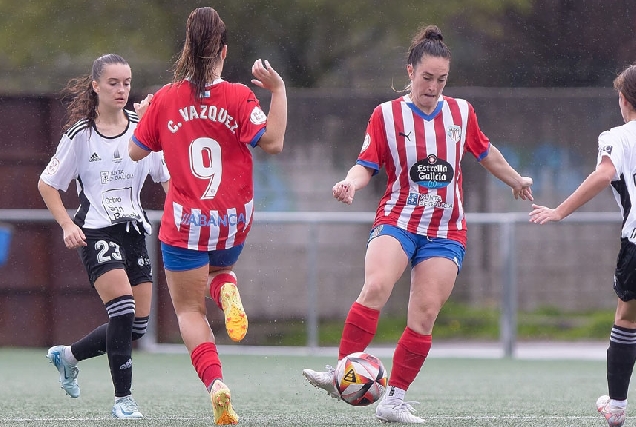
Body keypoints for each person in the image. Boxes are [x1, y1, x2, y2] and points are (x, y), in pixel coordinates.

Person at [302, 25, 533, 424]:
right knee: (376, 285)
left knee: (424, 314)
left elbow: (485, 151)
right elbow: (366, 164)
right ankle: (341, 370)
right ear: (410, 71)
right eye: (427, 78)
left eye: (441, 80)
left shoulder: (461, 112)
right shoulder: (386, 115)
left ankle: (394, 401)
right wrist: (349, 183)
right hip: (399, 220)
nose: (433, 87)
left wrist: (515, 180)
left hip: (446, 230)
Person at [128, 7, 287, 425]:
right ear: (223, 51)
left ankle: (216, 384)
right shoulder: (238, 95)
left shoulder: (165, 98)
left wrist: (146, 113)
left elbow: (135, 152)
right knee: (219, 271)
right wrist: (279, 91)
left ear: (187, 48)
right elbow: (271, 142)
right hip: (233, 217)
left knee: (189, 312)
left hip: (186, 223)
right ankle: (227, 289)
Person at [38, 53, 170, 419]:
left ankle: (68, 356)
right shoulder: (81, 135)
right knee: (124, 311)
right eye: (113, 83)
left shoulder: (143, 129)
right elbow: (48, 184)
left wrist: (184, 207)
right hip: (96, 232)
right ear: (96, 86)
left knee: (136, 327)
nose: (121, 89)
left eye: (126, 83)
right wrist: (68, 225)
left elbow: (167, 177)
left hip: (133, 231)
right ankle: (123, 400)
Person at [529, 64, 636, 427]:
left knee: (627, 318)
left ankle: (617, 407)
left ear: (623, 101)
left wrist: (560, 211)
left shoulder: (617, 137)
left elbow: (604, 174)